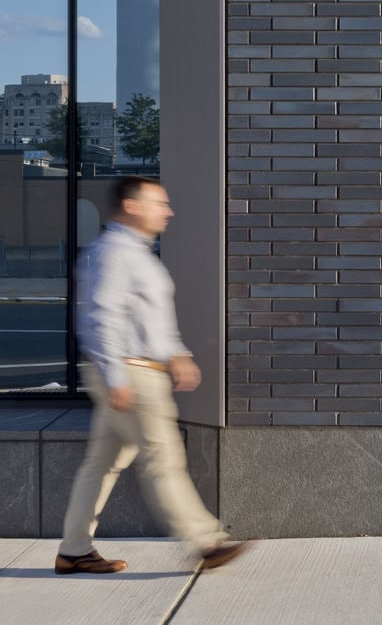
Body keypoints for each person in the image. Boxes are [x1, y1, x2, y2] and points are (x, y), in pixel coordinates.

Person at [55, 175, 248, 574]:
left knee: (102, 465)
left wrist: (176, 353)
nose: (169, 211)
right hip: (130, 373)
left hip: (134, 369)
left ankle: (73, 550)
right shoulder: (113, 253)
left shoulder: (136, 253)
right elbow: (101, 317)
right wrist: (115, 376)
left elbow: (147, 318)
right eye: (159, 203)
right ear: (132, 206)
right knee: (163, 458)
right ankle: (206, 541)